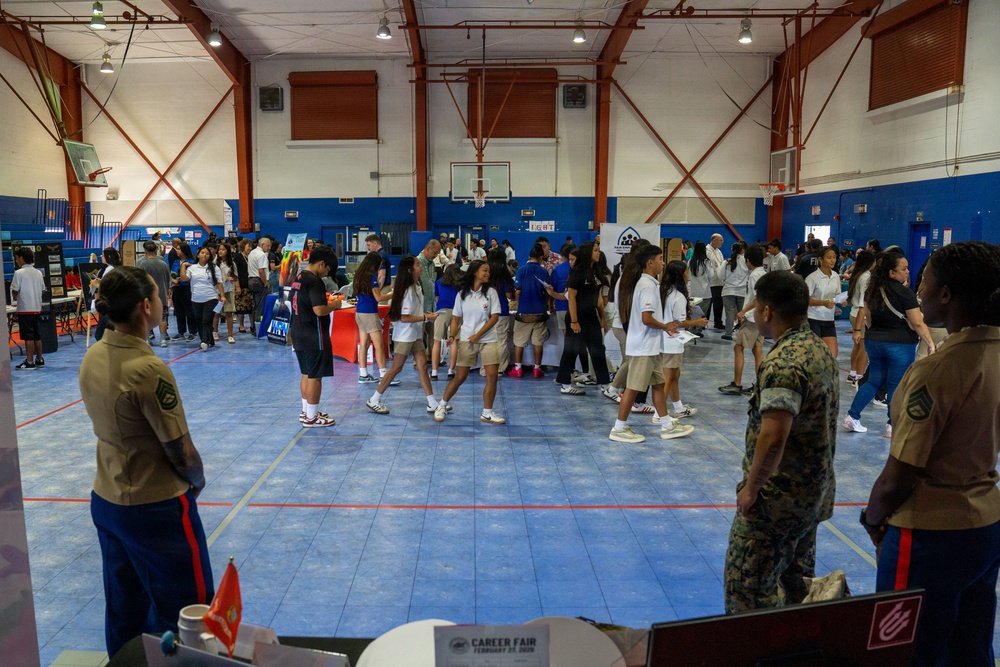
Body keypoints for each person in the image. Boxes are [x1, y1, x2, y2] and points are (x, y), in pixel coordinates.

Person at [861, 241, 1000, 666]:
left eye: (926, 280)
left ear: (946, 295)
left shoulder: (938, 369)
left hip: (930, 530)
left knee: (904, 650)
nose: (918, 288)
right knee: (970, 645)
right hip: (986, 521)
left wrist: (873, 516)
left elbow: (901, 472)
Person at [78, 266, 214, 657]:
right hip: (155, 505)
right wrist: (196, 482)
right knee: (190, 610)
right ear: (144, 306)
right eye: (158, 295)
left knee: (126, 607)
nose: (163, 300)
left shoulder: (94, 355)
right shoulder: (148, 370)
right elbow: (180, 450)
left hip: (107, 497)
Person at [723, 270, 838, 614]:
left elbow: (773, 436)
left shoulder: (784, 363)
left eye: (757, 306)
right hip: (810, 497)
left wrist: (751, 489)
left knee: (748, 598)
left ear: (768, 311)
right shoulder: (819, 350)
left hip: (775, 504)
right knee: (797, 595)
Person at [842, 251, 935, 438]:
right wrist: (930, 343)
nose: (908, 271)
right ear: (892, 273)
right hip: (900, 345)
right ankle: (892, 426)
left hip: (875, 342)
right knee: (896, 385)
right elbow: (917, 323)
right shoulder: (905, 293)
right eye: (904, 268)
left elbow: (867, 317)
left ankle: (852, 417)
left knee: (874, 380)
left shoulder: (872, 291)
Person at [608, 245, 693, 443]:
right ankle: (618, 428)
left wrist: (665, 326)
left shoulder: (650, 283)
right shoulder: (647, 286)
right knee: (633, 388)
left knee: (658, 385)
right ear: (650, 263)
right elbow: (646, 318)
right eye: (660, 259)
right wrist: (665, 326)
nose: (663, 262)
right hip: (643, 347)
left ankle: (666, 425)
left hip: (651, 346)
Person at [365, 255, 443, 416]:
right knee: (396, 367)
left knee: (422, 366)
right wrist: (426, 318)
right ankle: (374, 399)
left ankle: (432, 403)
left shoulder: (417, 286)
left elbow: (414, 312)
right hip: (404, 336)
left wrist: (425, 314)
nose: (420, 266)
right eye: (416, 264)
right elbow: (404, 317)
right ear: (410, 270)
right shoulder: (407, 290)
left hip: (414, 334)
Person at [435, 260, 506, 424]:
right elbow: (456, 319)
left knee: (492, 376)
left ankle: (487, 412)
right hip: (467, 340)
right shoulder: (462, 295)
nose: (487, 274)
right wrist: (452, 336)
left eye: (488, 271)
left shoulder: (491, 293)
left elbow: (494, 318)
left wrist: (479, 335)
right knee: (460, 376)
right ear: (475, 272)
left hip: (489, 339)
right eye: (484, 271)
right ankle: (442, 405)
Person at [288, 247, 343, 427]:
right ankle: (312, 417)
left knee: (306, 373)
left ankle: (306, 411)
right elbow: (319, 310)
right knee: (315, 376)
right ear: (321, 264)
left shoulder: (298, 278)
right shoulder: (315, 281)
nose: (327, 273)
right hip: (314, 335)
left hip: (298, 331)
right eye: (327, 269)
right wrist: (335, 305)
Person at [553, 242, 611, 396]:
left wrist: (602, 318)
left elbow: (598, 298)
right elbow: (571, 297)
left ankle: (605, 385)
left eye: (599, 250)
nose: (598, 253)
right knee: (571, 350)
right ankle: (565, 384)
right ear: (587, 252)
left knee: (598, 349)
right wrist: (574, 321)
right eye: (596, 250)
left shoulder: (596, 272)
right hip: (576, 317)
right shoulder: (577, 272)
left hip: (592, 317)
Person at [659, 260, 708, 417]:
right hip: (672, 342)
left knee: (675, 374)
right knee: (667, 378)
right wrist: (697, 322)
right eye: (686, 272)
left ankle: (678, 407)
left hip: (663, 340)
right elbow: (678, 323)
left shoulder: (663, 291)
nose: (688, 275)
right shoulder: (678, 297)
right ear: (680, 275)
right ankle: (659, 415)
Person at [721, 244, 767, 395]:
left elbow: (758, 298)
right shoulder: (763, 273)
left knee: (738, 347)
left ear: (748, 260)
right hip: (761, 318)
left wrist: (743, 312)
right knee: (757, 350)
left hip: (754, 319)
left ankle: (737, 383)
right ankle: (760, 385)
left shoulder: (754, 275)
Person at [352, 251, 395, 384]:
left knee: (364, 344)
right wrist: (394, 294)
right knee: (379, 345)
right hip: (370, 313)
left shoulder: (359, 275)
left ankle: (363, 374)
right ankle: (384, 375)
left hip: (359, 312)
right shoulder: (372, 277)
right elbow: (379, 297)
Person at [510, 244, 550, 378]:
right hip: (540, 311)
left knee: (519, 342)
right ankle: (537, 369)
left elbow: (518, 290)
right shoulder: (544, 271)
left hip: (524, 312)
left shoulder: (521, 270)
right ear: (541, 257)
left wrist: (518, 303)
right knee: (538, 342)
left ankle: (518, 368)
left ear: (529, 256)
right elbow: (549, 292)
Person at [181, 246, 225, 351]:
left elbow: (219, 282)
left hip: (211, 297)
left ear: (210, 256)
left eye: (207, 253)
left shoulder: (214, 268)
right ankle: (209, 340)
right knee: (199, 320)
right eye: (202, 253)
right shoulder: (192, 268)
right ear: (198, 255)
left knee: (207, 320)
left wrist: (222, 296)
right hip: (196, 298)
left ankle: (204, 341)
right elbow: (184, 279)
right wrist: (183, 266)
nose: (204, 255)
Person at [11, 247, 45, 369]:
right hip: (36, 307)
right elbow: (43, 289)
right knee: (37, 335)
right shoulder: (38, 272)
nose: (16, 261)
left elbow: (14, 290)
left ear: (21, 258)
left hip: (25, 308)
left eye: (17, 258)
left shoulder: (19, 273)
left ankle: (30, 361)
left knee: (28, 336)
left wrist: (15, 297)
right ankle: (40, 359)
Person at [805, 245, 841, 358]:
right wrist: (823, 303)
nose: (832, 260)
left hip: (829, 319)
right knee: (815, 354)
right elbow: (806, 300)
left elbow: (837, 294)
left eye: (834, 257)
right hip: (813, 319)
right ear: (820, 259)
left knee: (832, 354)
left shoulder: (835, 276)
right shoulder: (812, 278)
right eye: (829, 257)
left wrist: (843, 300)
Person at [845, 249, 875, 386]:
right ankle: (859, 376)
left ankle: (852, 374)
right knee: (864, 347)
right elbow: (864, 302)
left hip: (853, 313)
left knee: (857, 346)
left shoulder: (857, 274)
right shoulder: (867, 277)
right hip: (861, 315)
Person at [136, 241, 172, 348]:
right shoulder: (163, 264)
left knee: (146, 317)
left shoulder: (142, 264)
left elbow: (139, 281)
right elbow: (168, 280)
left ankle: (147, 339)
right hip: (161, 295)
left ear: (145, 251)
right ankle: (162, 340)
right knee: (163, 318)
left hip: (146, 296)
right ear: (156, 250)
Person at [486, 248, 515, 375]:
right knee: (501, 340)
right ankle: (500, 368)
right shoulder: (505, 274)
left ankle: (485, 367)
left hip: (485, 311)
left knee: (487, 341)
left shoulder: (484, 272)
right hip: (501, 310)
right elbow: (509, 295)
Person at [432, 264, 463, 380]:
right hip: (457, 312)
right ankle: (451, 371)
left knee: (437, 341)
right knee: (454, 341)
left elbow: (437, 299)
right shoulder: (460, 283)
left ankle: (434, 372)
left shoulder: (439, 282)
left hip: (442, 311)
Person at [718, 242, 749, 341]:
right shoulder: (746, 262)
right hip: (742, 291)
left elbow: (720, 276)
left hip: (728, 291)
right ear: (742, 250)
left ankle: (728, 334)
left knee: (729, 313)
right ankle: (744, 334)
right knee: (743, 314)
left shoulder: (726, 262)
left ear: (732, 250)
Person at [416, 240, 442, 348]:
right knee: (419, 336)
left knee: (434, 334)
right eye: (435, 253)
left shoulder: (432, 264)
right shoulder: (417, 263)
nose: (435, 256)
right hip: (420, 306)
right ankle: (418, 361)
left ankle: (432, 357)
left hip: (431, 306)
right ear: (428, 249)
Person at [213, 242, 238, 344]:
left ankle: (230, 335)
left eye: (223, 249)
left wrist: (231, 278)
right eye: (219, 249)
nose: (220, 251)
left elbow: (236, 277)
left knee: (228, 313)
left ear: (227, 251)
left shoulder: (232, 264)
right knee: (216, 313)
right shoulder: (214, 263)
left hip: (228, 291)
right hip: (217, 292)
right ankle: (215, 332)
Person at [247, 237, 271, 329]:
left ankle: (253, 326)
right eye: (268, 246)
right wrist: (265, 282)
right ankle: (259, 328)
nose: (269, 248)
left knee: (255, 305)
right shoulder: (262, 255)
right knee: (260, 305)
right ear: (262, 245)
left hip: (251, 280)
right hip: (258, 280)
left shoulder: (252, 253)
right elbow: (261, 271)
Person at [706, 234, 726, 329]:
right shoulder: (707, 250)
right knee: (708, 304)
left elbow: (721, 264)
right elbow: (713, 263)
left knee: (719, 303)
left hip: (719, 281)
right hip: (710, 282)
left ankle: (718, 322)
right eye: (720, 240)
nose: (722, 242)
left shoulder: (719, 251)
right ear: (713, 240)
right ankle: (704, 322)